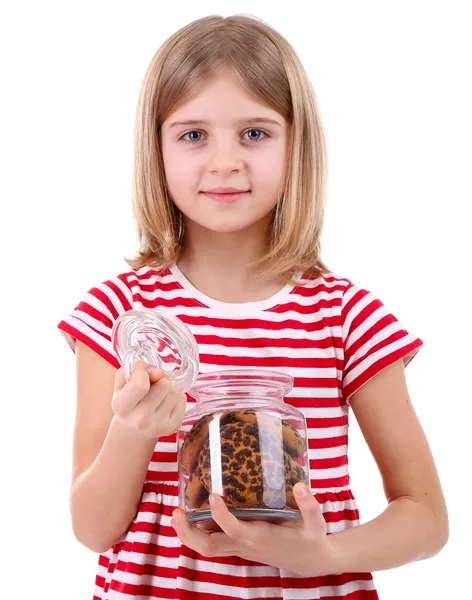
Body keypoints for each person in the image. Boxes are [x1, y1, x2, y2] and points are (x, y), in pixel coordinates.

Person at [57, 13, 449, 600]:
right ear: (156, 148)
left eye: (255, 133)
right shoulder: (120, 312)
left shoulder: (347, 316)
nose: (224, 162)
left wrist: (326, 552)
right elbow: (93, 529)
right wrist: (134, 430)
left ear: (297, 144)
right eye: (193, 135)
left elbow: (426, 520)